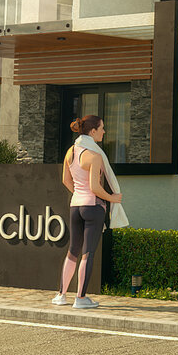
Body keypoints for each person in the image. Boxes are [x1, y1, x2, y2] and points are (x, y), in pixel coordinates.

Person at [53, 115, 122, 309]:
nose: (104, 132)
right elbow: (95, 187)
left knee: (73, 251)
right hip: (93, 207)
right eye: (102, 128)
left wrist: (79, 194)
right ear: (92, 131)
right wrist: (113, 198)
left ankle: (61, 295)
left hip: (75, 205)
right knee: (88, 253)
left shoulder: (70, 152)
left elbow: (66, 181)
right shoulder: (95, 156)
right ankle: (81, 298)